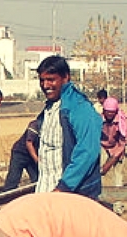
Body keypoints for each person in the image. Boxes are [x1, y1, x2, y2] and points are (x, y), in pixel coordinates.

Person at [33, 56, 103, 198]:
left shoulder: (79, 108)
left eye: (51, 79)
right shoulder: (51, 107)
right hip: (47, 190)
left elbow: (88, 151)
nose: (45, 85)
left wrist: (64, 187)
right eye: (42, 80)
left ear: (65, 78)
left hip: (72, 194)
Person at [99, 98, 127, 188]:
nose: (109, 114)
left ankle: (118, 197)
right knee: (100, 171)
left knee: (118, 172)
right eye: (107, 112)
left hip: (118, 146)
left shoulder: (121, 122)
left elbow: (122, 143)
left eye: (112, 112)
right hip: (103, 146)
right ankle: (99, 195)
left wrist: (112, 160)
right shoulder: (99, 120)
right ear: (104, 111)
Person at [2, 118, 40, 191]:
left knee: (37, 179)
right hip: (19, 153)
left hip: (32, 156)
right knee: (13, 179)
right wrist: (37, 160)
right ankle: (7, 197)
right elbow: (29, 143)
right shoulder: (35, 124)